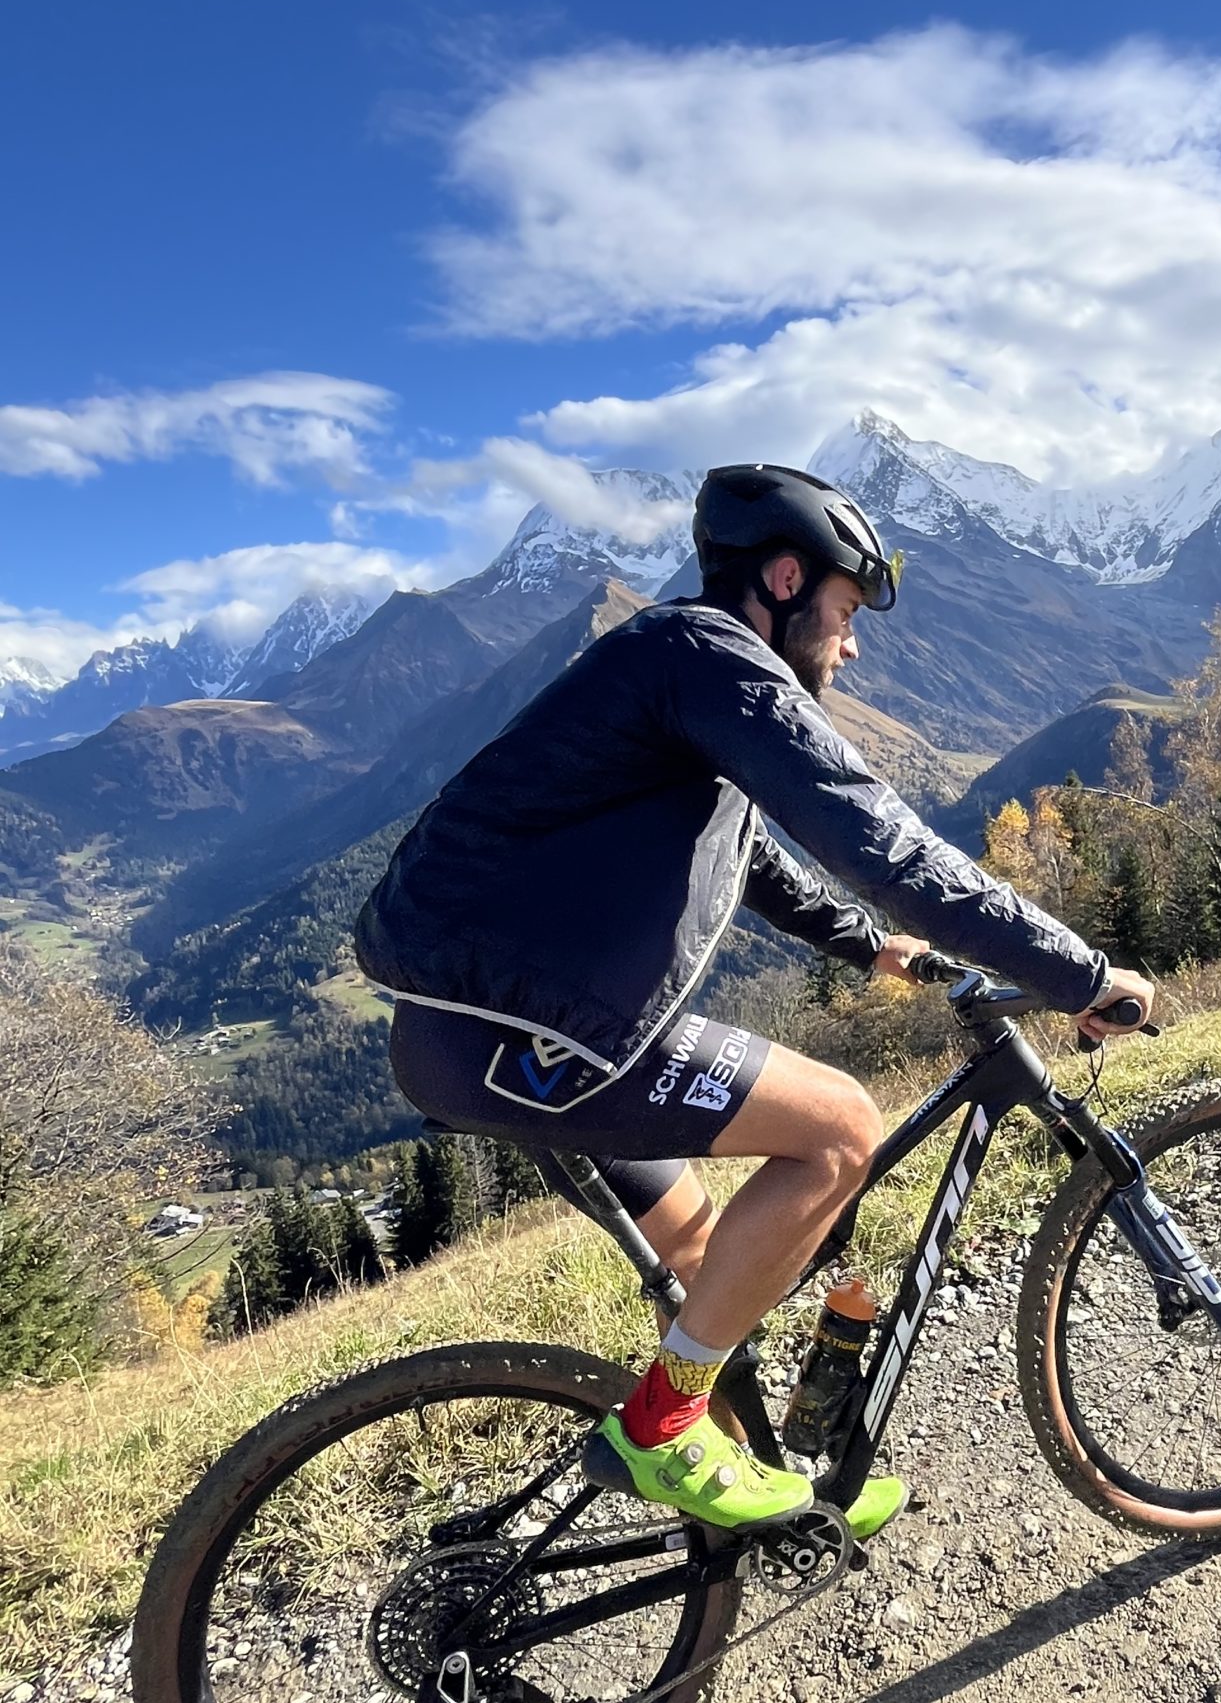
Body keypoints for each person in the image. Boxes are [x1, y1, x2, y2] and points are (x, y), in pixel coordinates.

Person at [355, 463, 1155, 1536]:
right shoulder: (717, 662)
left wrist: (876, 948)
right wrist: (1085, 976)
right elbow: (889, 846)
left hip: (480, 1030)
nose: (853, 638)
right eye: (843, 608)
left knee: (704, 1265)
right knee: (841, 1131)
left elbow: (752, 857)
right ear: (782, 577)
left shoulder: (679, 664)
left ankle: (784, 1492)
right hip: (535, 1035)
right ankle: (662, 1428)